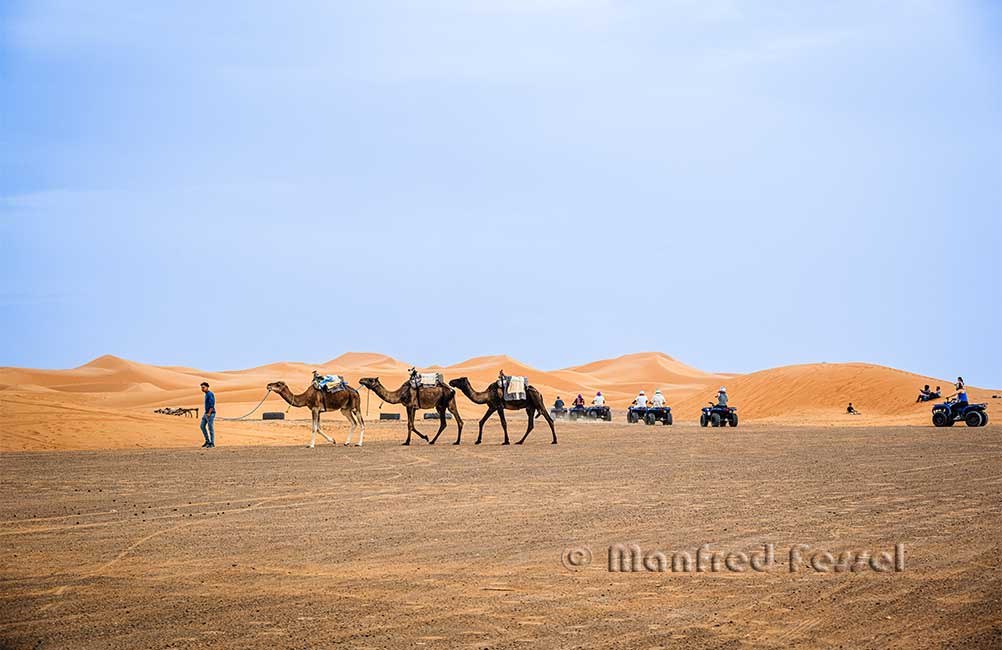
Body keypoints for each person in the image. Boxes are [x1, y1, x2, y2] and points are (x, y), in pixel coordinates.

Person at [200, 382, 216, 448]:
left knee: (210, 428)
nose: (202, 389)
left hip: (210, 413)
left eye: (203, 387)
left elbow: (212, 404)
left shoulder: (210, 394)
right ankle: (207, 441)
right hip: (206, 413)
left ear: (207, 387)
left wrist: (209, 413)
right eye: (201, 387)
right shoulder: (206, 394)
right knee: (202, 426)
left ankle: (212, 443)